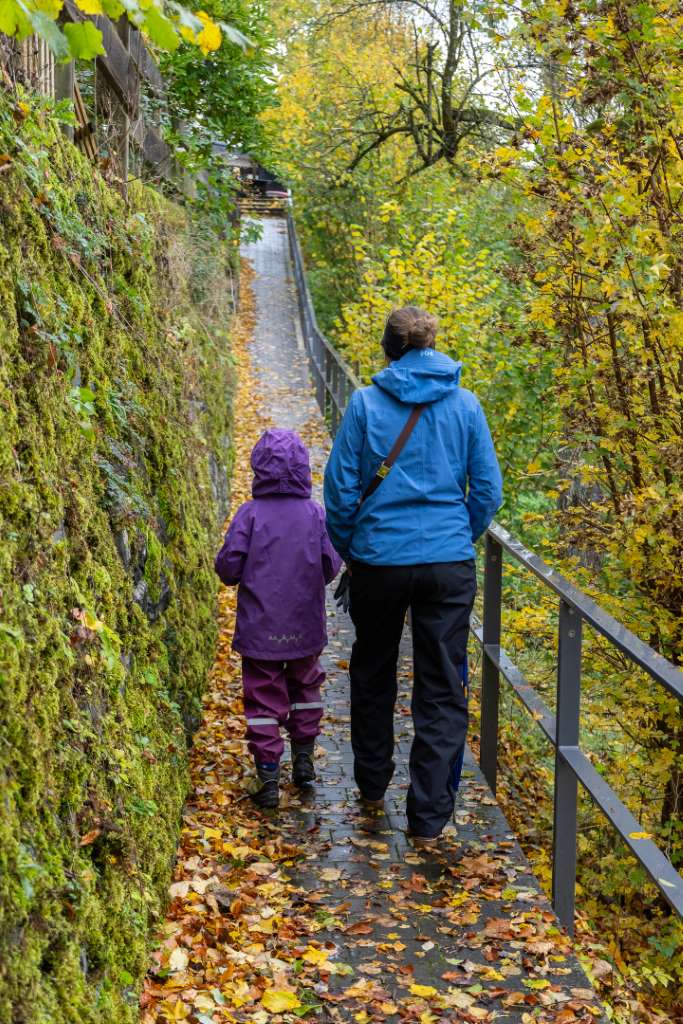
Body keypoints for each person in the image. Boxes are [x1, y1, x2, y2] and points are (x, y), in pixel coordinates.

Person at [324, 306, 502, 844]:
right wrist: (455, 537)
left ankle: (372, 783)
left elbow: (338, 493)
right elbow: (488, 491)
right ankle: (428, 818)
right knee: (443, 685)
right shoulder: (466, 406)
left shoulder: (363, 404)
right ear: (433, 346)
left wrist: (354, 548)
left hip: (379, 560)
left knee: (373, 668)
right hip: (447, 564)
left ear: (388, 349)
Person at [215, 428, 341, 808]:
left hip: (260, 628)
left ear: (259, 467)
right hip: (304, 624)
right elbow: (330, 565)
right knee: (305, 689)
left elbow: (228, 568)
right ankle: (303, 760)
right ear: (303, 467)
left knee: (263, 699)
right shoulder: (315, 513)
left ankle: (268, 775)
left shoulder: (249, 515)